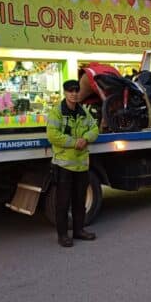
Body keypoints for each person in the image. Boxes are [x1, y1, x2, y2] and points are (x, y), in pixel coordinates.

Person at [46, 79, 99, 247]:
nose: (74, 94)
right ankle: (62, 235)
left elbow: (95, 129)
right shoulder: (56, 113)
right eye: (71, 91)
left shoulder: (83, 112)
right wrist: (74, 142)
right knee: (62, 203)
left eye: (76, 91)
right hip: (64, 166)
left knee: (79, 201)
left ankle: (79, 230)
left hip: (81, 165)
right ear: (65, 93)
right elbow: (53, 135)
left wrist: (86, 138)